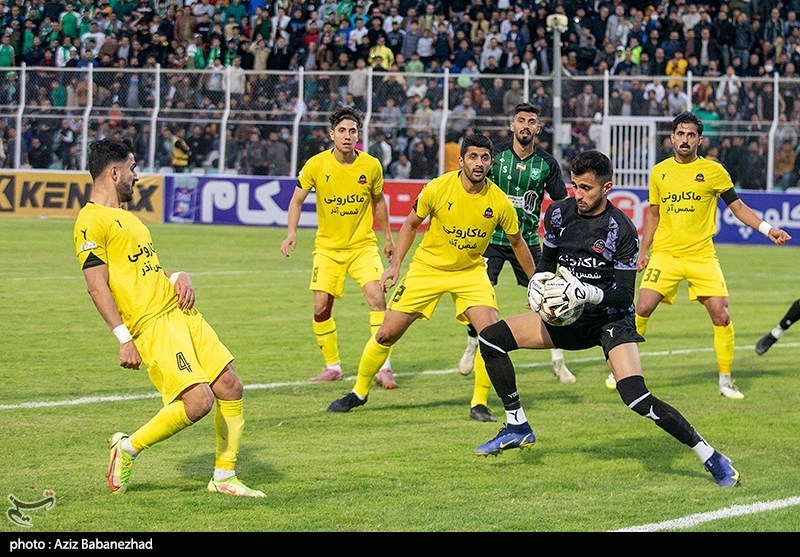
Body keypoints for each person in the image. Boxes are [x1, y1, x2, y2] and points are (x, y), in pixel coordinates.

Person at [473, 150, 740, 488]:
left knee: (635, 396)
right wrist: (539, 285)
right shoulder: (558, 214)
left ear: (606, 188)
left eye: (586, 188)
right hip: (569, 316)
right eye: (575, 186)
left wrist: (587, 292)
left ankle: (710, 455)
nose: (578, 195)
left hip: (609, 321)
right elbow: (547, 261)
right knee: (491, 339)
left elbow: (624, 296)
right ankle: (517, 426)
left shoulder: (622, 229)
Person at [73, 138, 263, 497]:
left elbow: (147, 270)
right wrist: (124, 338)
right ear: (113, 173)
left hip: (180, 311)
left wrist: (177, 276)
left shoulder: (128, 218)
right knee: (199, 401)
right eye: (132, 168)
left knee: (230, 386)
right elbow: (97, 286)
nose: (137, 176)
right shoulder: (90, 221)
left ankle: (224, 477)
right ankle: (127, 448)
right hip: (153, 324)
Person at [326, 133, 535, 417]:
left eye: (485, 158)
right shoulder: (437, 188)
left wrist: (534, 282)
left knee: (490, 336)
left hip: (470, 272)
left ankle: (479, 403)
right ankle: (358, 393)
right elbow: (411, 224)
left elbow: (517, 242)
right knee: (386, 334)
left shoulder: (499, 201)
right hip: (428, 269)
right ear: (461, 161)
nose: (479, 163)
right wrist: (395, 265)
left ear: (491, 163)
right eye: (473, 157)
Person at [606, 112, 792, 397]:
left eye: (691, 135)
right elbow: (653, 215)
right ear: (672, 138)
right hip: (666, 254)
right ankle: (621, 369)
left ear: (699, 140)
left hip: (701, 256)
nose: (685, 139)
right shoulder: (659, 172)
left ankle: (726, 381)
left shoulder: (714, 171)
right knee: (641, 307)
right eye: (680, 134)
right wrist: (644, 251)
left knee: (721, 314)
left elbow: (738, 207)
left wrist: (768, 229)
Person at [457, 104, 576, 420]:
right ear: (512, 125)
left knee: (548, 298)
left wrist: (561, 236)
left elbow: (561, 204)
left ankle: (558, 361)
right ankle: (472, 343)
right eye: (521, 120)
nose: (526, 125)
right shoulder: (494, 158)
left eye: (531, 121)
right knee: (477, 298)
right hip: (492, 241)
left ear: (538, 127)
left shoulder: (547, 164)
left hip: (527, 242)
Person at [280, 107, 398, 388]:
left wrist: (388, 238)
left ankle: (384, 368)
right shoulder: (316, 165)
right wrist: (291, 232)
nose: (347, 136)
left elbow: (379, 203)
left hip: (362, 247)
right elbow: (296, 201)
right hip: (328, 249)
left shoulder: (371, 166)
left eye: (352, 131)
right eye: (342, 131)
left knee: (377, 297)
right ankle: (332, 366)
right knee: (320, 305)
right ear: (332, 134)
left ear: (359, 135)